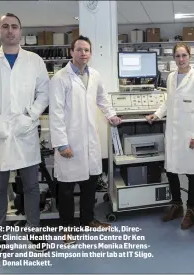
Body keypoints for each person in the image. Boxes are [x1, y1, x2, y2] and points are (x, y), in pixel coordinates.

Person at [0, 13, 50, 265]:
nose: (10, 31)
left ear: (21, 31)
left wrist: (30, 117)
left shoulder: (34, 60)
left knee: (31, 186)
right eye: (5, 27)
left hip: (25, 132)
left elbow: (43, 92)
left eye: (15, 27)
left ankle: (34, 230)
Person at [49, 35, 122, 243]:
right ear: (71, 52)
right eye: (79, 49)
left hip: (90, 139)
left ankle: (88, 219)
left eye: (87, 50)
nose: (83, 53)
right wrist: (62, 143)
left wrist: (111, 115)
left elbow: (102, 98)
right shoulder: (60, 78)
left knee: (90, 183)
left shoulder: (95, 75)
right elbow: (56, 113)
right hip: (69, 141)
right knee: (66, 189)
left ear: (90, 53)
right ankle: (67, 228)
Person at [146, 43, 194, 230]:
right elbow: (168, 101)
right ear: (174, 58)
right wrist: (156, 114)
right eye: (177, 56)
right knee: (172, 170)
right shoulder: (172, 77)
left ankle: (190, 209)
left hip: (190, 132)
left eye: (184, 55)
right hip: (174, 132)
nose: (181, 59)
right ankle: (177, 205)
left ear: (190, 57)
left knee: (191, 171)